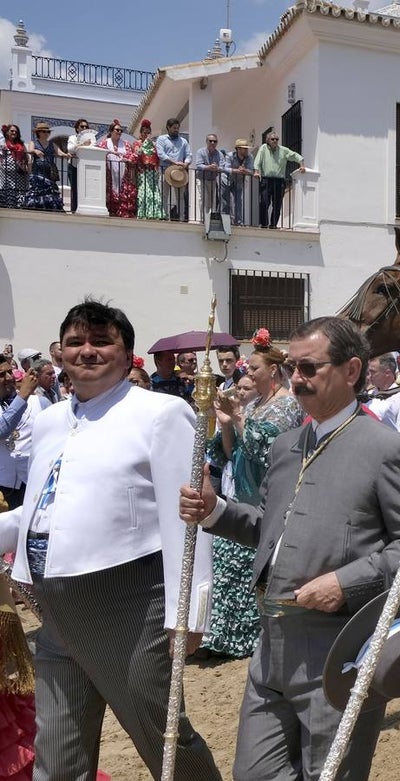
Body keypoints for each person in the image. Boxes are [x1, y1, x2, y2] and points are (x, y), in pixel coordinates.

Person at [178, 316, 400, 780]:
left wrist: (345, 582)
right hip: (270, 643)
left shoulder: (388, 450)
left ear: (352, 371)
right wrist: (216, 511)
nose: (296, 378)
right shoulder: (287, 445)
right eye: (292, 367)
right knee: (254, 773)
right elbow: (273, 531)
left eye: (309, 368)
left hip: (340, 644)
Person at [0, 299, 220, 780]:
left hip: (131, 607)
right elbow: (40, 511)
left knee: (162, 738)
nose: (87, 351)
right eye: (76, 342)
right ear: (60, 354)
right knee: (57, 750)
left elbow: (186, 518)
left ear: (126, 354)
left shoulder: (162, 413)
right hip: (54, 607)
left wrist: (190, 613)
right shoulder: (49, 420)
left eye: (101, 341)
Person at [203, 329, 301, 659]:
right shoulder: (257, 403)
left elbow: (268, 451)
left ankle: (249, 639)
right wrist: (227, 423)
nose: (248, 374)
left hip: (270, 496)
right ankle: (224, 638)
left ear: (273, 370)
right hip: (243, 491)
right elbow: (230, 453)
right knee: (226, 559)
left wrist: (241, 417)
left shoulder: (287, 406)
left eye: (254, 369)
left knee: (248, 564)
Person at [0, 356, 48, 510]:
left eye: (10, 372)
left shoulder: (39, 402)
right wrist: (22, 396)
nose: (9, 378)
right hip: (3, 488)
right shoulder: (24, 397)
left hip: (34, 485)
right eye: (1, 375)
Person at [253, 132, 304, 229]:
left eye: (276, 139)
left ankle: (273, 225)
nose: (275, 141)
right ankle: (264, 224)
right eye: (272, 139)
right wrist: (256, 171)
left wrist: (301, 165)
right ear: (268, 140)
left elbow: (295, 156)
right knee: (264, 203)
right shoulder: (263, 148)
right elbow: (258, 160)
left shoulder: (283, 150)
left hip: (279, 181)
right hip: (266, 180)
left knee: (277, 205)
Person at [96, 120, 136, 218]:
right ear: (111, 131)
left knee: (124, 196)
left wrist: (127, 159)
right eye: (117, 130)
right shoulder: (104, 143)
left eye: (121, 130)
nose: (119, 132)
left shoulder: (126, 144)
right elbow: (99, 154)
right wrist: (112, 153)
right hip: (109, 176)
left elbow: (131, 157)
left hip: (124, 176)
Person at [24, 121, 64, 212]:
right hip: (37, 171)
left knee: (50, 190)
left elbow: (59, 153)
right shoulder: (34, 142)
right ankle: (36, 206)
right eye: (44, 131)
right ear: (38, 132)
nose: (46, 133)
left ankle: (48, 207)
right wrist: (35, 151)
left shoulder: (52, 144)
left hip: (49, 172)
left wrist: (67, 154)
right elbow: (30, 150)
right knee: (37, 189)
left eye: (48, 132)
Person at [157, 117, 190, 221]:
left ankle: (180, 218)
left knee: (180, 197)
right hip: (165, 171)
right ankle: (165, 217)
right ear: (168, 127)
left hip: (179, 172)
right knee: (164, 195)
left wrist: (186, 163)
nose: (176, 130)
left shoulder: (183, 141)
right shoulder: (161, 139)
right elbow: (161, 154)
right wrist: (174, 162)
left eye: (177, 128)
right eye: (174, 128)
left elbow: (189, 154)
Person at [131, 119, 165, 220]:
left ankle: (154, 213)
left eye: (148, 132)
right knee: (144, 192)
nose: (146, 134)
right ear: (140, 133)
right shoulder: (137, 143)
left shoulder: (154, 144)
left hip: (152, 172)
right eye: (144, 132)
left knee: (154, 193)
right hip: (142, 172)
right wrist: (145, 144)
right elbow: (137, 153)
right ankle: (143, 213)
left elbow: (158, 157)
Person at [193, 134, 225, 221]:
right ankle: (203, 219)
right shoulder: (201, 152)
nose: (212, 143)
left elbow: (222, 167)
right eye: (210, 141)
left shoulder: (219, 154)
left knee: (213, 200)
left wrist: (217, 168)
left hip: (213, 179)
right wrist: (209, 167)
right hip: (202, 178)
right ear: (206, 142)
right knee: (204, 199)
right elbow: (199, 165)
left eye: (215, 141)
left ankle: (210, 219)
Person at [66, 118, 94, 213]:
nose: (84, 128)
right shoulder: (72, 138)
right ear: (77, 128)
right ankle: (74, 210)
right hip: (74, 167)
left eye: (86, 127)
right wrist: (82, 144)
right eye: (82, 126)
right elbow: (70, 149)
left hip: (86, 167)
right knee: (75, 189)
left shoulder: (91, 139)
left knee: (86, 189)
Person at [224, 138, 255, 226]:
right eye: (244, 148)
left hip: (239, 181)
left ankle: (238, 221)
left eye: (246, 148)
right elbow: (225, 168)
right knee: (226, 201)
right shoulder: (229, 156)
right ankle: (226, 220)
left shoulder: (249, 157)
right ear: (238, 149)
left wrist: (245, 170)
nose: (246, 150)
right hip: (226, 180)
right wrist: (236, 171)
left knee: (238, 201)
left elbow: (251, 171)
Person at [0, 124, 29, 210]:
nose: (14, 133)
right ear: (7, 132)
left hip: (19, 174)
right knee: (8, 195)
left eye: (16, 131)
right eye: (12, 131)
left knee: (19, 197)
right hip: (6, 176)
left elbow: (26, 157)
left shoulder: (21, 144)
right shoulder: (3, 143)